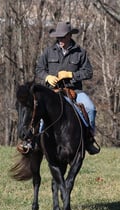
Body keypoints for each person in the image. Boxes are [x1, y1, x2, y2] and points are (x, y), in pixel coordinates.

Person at [35, 21, 100, 155]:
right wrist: (47, 77)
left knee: (91, 109)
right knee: (37, 111)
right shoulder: (48, 51)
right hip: (52, 92)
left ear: (70, 35)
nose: (60, 40)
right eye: (58, 37)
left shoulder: (80, 52)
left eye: (63, 37)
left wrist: (71, 75)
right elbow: (39, 69)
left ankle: (89, 140)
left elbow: (88, 72)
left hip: (74, 91)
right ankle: (34, 142)